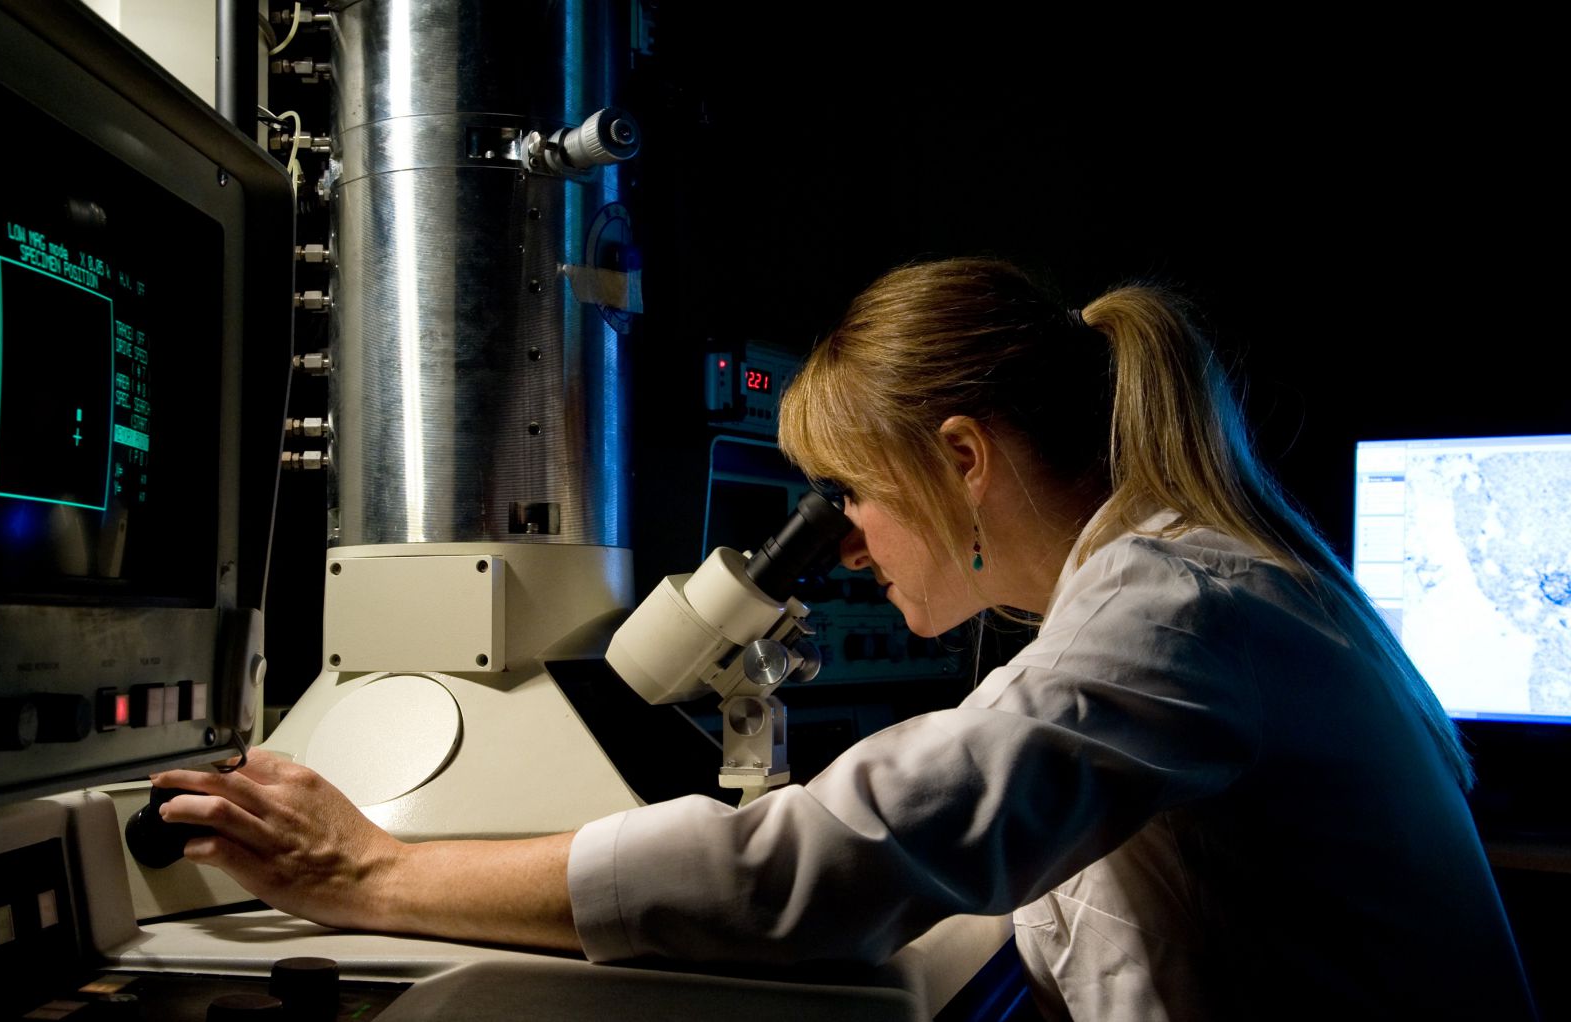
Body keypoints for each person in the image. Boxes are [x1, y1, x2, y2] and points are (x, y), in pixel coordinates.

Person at [155, 258, 1535, 1019]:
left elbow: (832, 864)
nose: (851, 544)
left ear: (961, 454)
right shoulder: (1169, 592)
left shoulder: (1177, 611)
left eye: (853, 496)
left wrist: (382, 872)